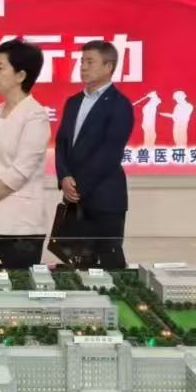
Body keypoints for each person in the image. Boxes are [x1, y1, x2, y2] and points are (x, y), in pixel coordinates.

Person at [0, 38, 51, 268]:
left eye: (0, 68)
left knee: (14, 287)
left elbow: (21, 170)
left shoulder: (35, 115)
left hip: (19, 226)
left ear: (21, 75)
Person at [53, 40, 135, 269]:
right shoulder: (73, 102)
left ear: (109, 67)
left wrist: (78, 185)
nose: (83, 67)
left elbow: (109, 153)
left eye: (90, 62)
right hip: (74, 199)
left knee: (108, 264)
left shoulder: (119, 104)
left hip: (104, 199)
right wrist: (64, 176)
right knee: (76, 262)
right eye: (82, 62)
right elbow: (61, 144)